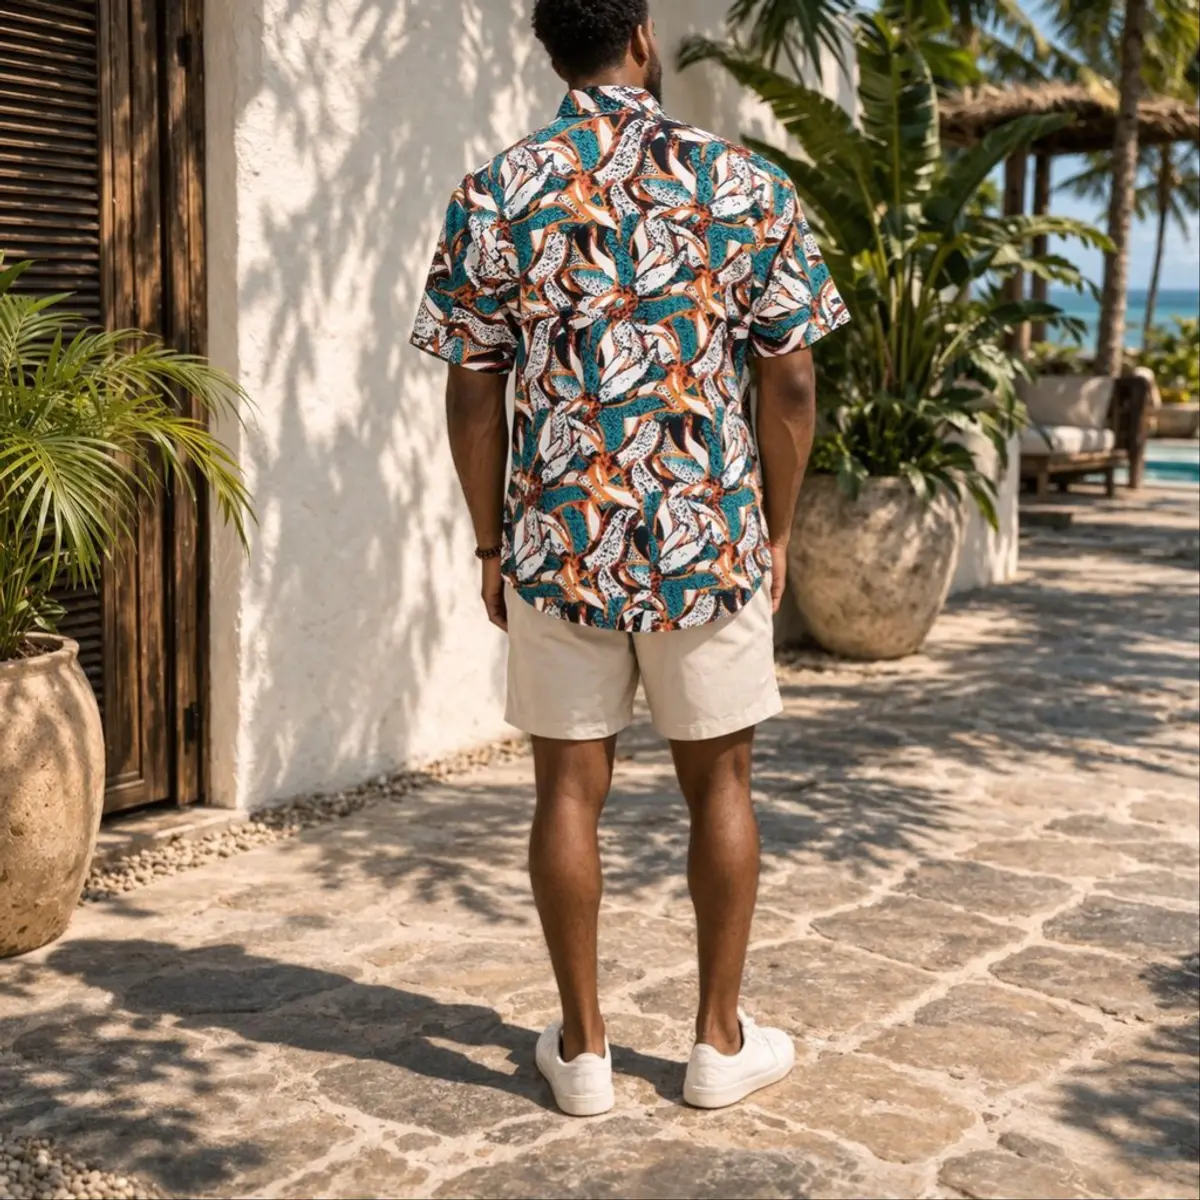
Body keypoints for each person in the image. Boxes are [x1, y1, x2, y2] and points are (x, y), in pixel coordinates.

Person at [410, 0, 847, 1117]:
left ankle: (586, 1051)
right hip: (707, 537)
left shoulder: (496, 189)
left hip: (558, 538)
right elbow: (789, 382)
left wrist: (492, 540)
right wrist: (777, 527)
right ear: (642, 39)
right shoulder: (742, 184)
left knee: (567, 788)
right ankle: (716, 1043)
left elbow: (472, 384)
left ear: (554, 51)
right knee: (723, 784)